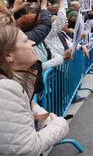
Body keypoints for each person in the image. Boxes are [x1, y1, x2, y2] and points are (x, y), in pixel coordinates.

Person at [0, 25, 69, 155]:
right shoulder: (5, 88)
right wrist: (59, 124)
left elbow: (26, 104)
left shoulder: (12, 82)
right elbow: (26, 149)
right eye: (25, 41)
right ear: (9, 55)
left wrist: (40, 116)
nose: (33, 42)